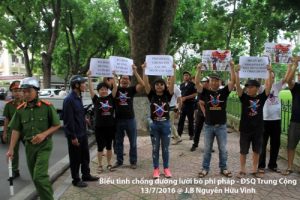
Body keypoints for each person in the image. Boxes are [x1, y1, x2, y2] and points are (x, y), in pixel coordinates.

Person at [6, 77, 61, 200]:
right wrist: (10, 150)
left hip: (44, 146)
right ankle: (45, 196)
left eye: (29, 91)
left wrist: (43, 134)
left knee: (39, 176)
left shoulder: (47, 106)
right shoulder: (20, 110)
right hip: (29, 147)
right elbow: (15, 130)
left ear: (36, 91)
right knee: (35, 178)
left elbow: (57, 125)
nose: (26, 94)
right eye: (23, 91)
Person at [195, 61, 235, 178]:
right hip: (208, 126)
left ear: (220, 82)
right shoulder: (205, 91)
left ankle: (224, 168)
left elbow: (232, 82)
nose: (214, 82)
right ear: (209, 82)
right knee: (207, 149)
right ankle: (205, 168)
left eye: (216, 80)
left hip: (221, 126)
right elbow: (197, 83)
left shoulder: (223, 92)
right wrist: (198, 69)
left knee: (223, 149)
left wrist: (232, 68)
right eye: (212, 80)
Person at [235, 65, 272, 178]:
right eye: (247, 87)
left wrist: (269, 72)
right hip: (245, 129)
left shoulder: (261, 98)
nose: (248, 89)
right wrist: (237, 73)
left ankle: (254, 169)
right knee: (243, 151)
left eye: (251, 87)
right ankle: (242, 169)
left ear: (257, 88)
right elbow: (237, 87)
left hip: (258, 129)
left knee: (257, 150)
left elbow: (268, 87)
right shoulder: (244, 98)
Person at [62, 75, 99, 188]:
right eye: (83, 83)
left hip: (82, 133)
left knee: (85, 156)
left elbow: (78, 113)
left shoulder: (79, 97)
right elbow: (68, 121)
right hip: (75, 135)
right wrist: (73, 137)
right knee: (75, 158)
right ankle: (76, 179)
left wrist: (84, 118)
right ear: (76, 85)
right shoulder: (69, 100)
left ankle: (86, 175)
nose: (85, 85)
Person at [142, 63, 175, 178]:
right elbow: (145, 83)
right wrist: (144, 69)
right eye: (157, 84)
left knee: (165, 149)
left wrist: (173, 70)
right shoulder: (151, 95)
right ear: (154, 86)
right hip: (154, 125)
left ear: (164, 86)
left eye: (162, 84)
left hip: (166, 125)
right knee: (155, 149)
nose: (159, 86)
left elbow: (172, 84)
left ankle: (166, 168)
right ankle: (156, 169)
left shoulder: (168, 95)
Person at [258, 67, 290, 173]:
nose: (270, 79)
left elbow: (286, 79)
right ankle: (261, 165)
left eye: (272, 77)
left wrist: (289, 67)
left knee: (275, 144)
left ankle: (272, 164)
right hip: (264, 120)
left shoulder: (277, 86)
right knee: (262, 144)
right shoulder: (261, 88)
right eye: (268, 77)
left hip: (276, 120)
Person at [113, 64, 144, 169]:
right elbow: (105, 82)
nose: (124, 80)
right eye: (123, 78)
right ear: (119, 79)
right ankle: (119, 161)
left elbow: (142, 84)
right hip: (118, 120)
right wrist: (112, 73)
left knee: (133, 142)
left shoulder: (131, 90)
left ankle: (133, 161)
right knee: (118, 142)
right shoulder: (115, 90)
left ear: (130, 81)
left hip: (130, 120)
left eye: (127, 78)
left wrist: (135, 71)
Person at [87, 70, 118, 173]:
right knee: (100, 147)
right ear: (98, 91)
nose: (103, 91)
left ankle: (109, 164)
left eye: (105, 89)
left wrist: (114, 76)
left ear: (107, 90)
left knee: (109, 146)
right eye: (101, 89)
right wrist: (89, 77)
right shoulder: (96, 99)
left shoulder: (111, 98)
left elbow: (115, 88)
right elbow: (91, 89)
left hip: (110, 126)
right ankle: (100, 165)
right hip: (99, 127)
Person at [282, 57, 300, 175]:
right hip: (295, 121)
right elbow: (288, 80)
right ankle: (289, 167)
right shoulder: (296, 87)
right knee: (291, 145)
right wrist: (295, 65)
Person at [3, 81, 24, 179]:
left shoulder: (27, 104)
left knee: (31, 151)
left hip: (25, 131)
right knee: (13, 151)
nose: (17, 93)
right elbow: (7, 119)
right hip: (13, 132)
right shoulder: (9, 105)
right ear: (11, 92)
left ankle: (35, 171)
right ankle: (15, 171)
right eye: (15, 90)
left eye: (19, 90)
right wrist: (5, 132)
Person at [190, 77, 209, 151]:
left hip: (209, 114)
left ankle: (208, 146)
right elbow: (201, 103)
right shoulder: (200, 90)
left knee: (208, 131)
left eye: (206, 82)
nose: (204, 83)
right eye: (203, 82)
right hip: (201, 113)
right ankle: (195, 144)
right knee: (197, 128)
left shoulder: (211, 91)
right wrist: (204, 113)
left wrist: (206, 103)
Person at [177, 71, 197, 140]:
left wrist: (186, 97)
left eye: (187, 75)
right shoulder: (181, 85)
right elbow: (179, 94)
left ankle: (191, 134)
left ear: (189, 76)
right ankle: (178, 134)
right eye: (185, 75)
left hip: (190, 104)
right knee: (181, 120)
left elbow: (195, 94)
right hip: (183, 105)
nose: (186, 76)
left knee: (190, 120)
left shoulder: (192, 84)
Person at [167, 76, 182, 145]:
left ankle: (177, 137)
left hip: (172, 108)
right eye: (167, 77)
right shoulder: (167, 86)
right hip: (167, 108)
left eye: (170, 77)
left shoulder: (176, 88)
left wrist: (178, 110)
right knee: (169, 124)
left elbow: (180, 100)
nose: (168, 78)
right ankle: (173, 136)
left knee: (170, 124)